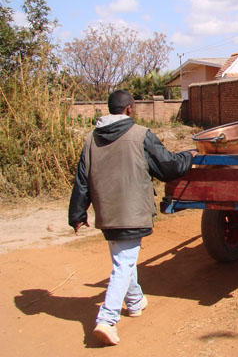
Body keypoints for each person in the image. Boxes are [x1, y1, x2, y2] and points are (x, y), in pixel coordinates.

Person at [68, 90, 194, 346]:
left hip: (106, 211)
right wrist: (189, 155)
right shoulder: (140, 135)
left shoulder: (90, 140)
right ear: (128, 109)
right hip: (132, 212)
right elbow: (168, 167)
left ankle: (135, 302)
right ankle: (107, 319)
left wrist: (77, 214)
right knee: (123, 264)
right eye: (134, 107)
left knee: (121, 259)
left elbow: (82, 180)